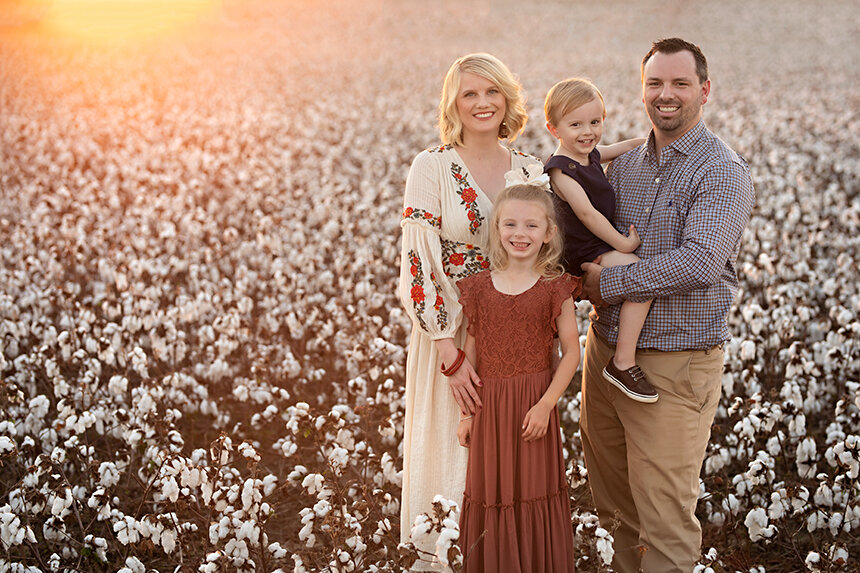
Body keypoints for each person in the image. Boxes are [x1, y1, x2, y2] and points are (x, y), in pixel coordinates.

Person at [579, 38, 755, 572]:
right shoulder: (626, 163)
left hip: (674, 368)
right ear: (642, 91)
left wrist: (606, 287)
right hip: (604, 352)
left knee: (665, 521)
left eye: (680, 83)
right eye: (654, 83)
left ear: (704, 90)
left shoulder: (721, 170)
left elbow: (699, 262)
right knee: (613, 511)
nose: (666, 95)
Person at [397, 52, 541, 569]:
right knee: (450, 447)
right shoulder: (431, 167)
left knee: (506, 455)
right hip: (450, 335)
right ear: (453, 104)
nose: (482, 103)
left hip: (515, 337)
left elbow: (545, 253)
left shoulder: (529, 168)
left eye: (492, 92)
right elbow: (419, 260)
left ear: (507, 99)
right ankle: (443, 556)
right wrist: (447, 352)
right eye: (469, 94)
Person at [457, 178, 579, 572]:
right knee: (491, 493)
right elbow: (473, 349)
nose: (520, 234)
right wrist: (466, 412)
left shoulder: (555, 287)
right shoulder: (477, 287)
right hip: (490, 408)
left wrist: (546, 405)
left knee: (532, 492)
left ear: (549, 233)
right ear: (496, 230)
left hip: (533, 408)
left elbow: (572, 353)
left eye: (531, 225)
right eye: (510, 224)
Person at [543, 77, 655, 403]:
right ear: (554, 129)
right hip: (584, 252)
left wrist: (653, 141)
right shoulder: (561, 171)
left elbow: (621, 147)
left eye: (595, 121)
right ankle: (623, 361)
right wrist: (622, 245)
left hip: (596, 245)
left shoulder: (589, 155)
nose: (587, 131)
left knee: (637, 279)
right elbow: (587, 214)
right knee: (640, 277)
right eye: (575, 124)